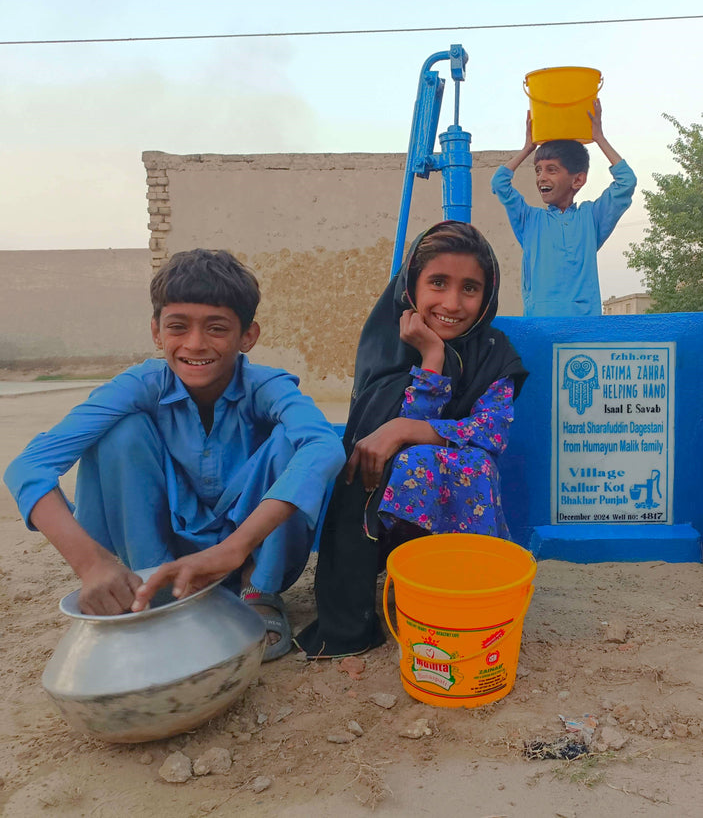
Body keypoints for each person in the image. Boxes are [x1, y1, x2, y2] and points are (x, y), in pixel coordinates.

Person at [4, 249, 346, 660]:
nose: (195, 344)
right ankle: (157, 588)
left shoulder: (266, 386)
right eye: (178, 327)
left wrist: (235, 547)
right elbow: (29, 465)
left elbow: (325, 445)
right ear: (156, 332)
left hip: (251, 549)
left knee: (294, 441)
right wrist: (91, 564)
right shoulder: (138, 385)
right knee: (119, 433)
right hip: (167, 555)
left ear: (247, 336)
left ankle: (259, 590)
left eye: (216, 328)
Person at [296, 221, 528, 658]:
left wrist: (404, 429)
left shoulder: (496, 353)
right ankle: (396, 588)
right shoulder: (387, 347)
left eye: (470, 288)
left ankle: (463, 589)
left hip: (458, 509)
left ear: (487, 295)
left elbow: (491, 432)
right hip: (387, 506)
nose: (452, 303)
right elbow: (377, 443)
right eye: (438, 283)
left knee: (470, 462)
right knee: (406, 461)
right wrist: (432, 358)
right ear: (411, 285)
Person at [491, 99, 637, 316]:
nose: (541, 177)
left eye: (551, 170)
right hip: (540, 324)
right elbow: (499, 183)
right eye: (538, 170)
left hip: (584, 323)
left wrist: (599, 138)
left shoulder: (591, 218)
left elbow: (627, 182)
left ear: (577, 180)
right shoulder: (530, 220)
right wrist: (528, 148)